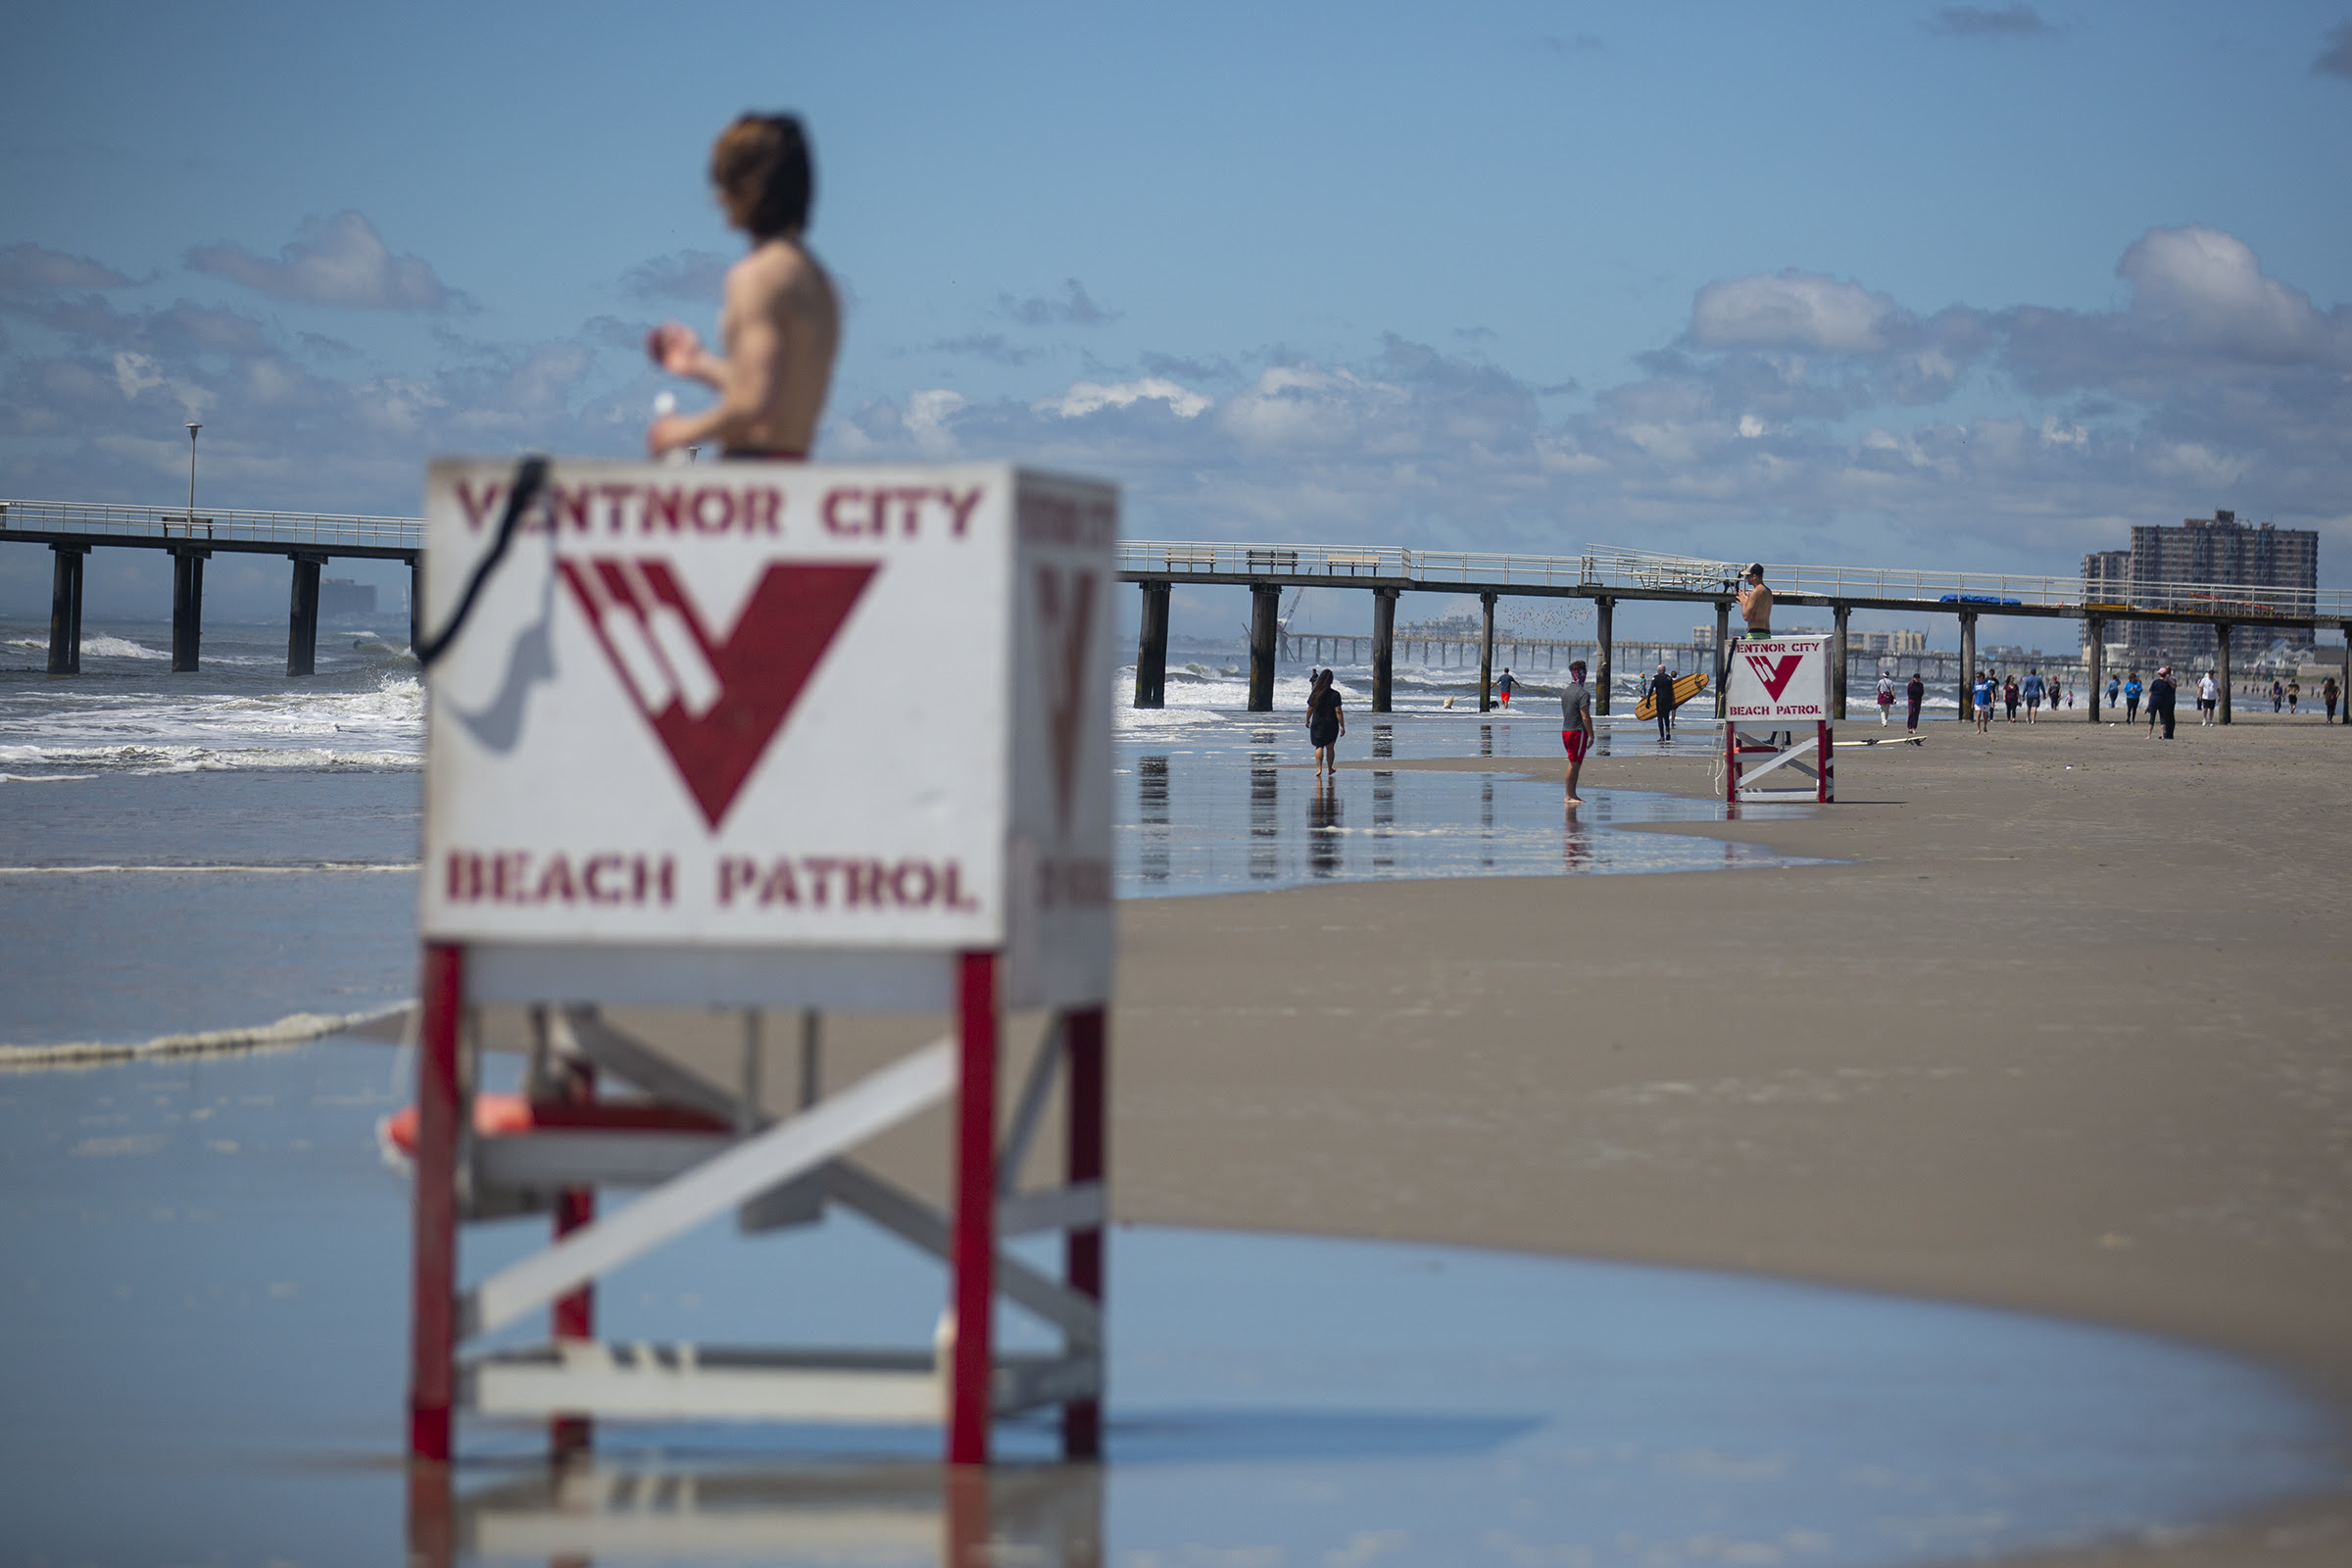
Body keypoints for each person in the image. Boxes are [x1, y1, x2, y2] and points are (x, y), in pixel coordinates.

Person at [648, 114, 841, 461]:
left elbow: (753, 406)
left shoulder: (754, 276)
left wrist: (676, 432)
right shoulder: (819, 281)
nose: (716, 199)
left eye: (724, 183)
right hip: (795, 479)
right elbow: (778, 396)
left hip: (749, 482)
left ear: (747, 188)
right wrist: (700, 364)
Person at [1561, 659, 1595, 806]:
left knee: (1573, 762)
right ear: (1581, 674)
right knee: (1574, 764)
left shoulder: (1566, 691)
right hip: (1577, 731)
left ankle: (1572, 793)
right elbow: (1585, 717)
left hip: (1566, 730)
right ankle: (1569, 795)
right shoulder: (1583, 693)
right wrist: (1591, 736)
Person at [1306, 666, 1346, 777]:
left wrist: (1307, 720)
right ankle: (1329, 768)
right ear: (1331, 681)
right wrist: (1342, 725)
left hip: (1318, 722)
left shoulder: (1316, 693)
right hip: (1331, 723)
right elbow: (1338, 711)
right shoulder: (1335, 694)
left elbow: (1310, 709)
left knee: (1319, 746)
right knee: (1330, 747)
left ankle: (1319, 769)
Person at [1737, 564, 1774, 639]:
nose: (1746, 578)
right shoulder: (1768, 591)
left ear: (1754, 576)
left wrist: (1744, 603)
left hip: (1755, 634)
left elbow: (1746, 616)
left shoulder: (1756, 592)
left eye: (1748, 576)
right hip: (1766, 633)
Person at [2149, 665, 2177, 740]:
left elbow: (2174, 686)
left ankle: (2169, 733)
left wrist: (2168, 680)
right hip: (2164, 701)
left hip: (2170, 700)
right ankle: (2166, 733)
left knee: (2170, 717)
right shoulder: (2160, 680)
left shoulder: (2171, 678)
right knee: (2165, 717)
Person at [1651, 662, 1678, 741]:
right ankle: (1668, 732)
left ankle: (1662, 736)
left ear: (1658, 670)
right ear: (1665, 670)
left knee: (1660, 718)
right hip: (1668, 700)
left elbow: (1651, 690)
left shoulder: (1655, 678)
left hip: (1660, 700)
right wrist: (1673, 701)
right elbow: (1672, 691)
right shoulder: (1669, 678)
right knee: (1666, 717)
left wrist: (1648, 700)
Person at [1973, 670, 1993, 734]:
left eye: (1978, 677)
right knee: (1978, 715)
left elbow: (1991, 693)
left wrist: (1992, 701)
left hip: (1985, 702)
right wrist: (1972, 703)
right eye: (1976, 677)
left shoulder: (1987, 684)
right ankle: (1978, 729)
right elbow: (1974, 694)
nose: (1977, 678)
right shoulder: (1976, 684)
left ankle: (1985, 726)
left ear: (1982, 677)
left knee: (1985, 716)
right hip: (1978, 702)